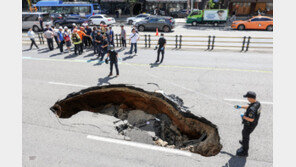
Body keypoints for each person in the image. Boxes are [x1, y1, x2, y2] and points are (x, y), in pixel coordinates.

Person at [234, 91, 261, 157]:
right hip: (253, 124)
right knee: (244, 133)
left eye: (248, 98)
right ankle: (244, 143)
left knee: (245, 136)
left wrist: (243, 116)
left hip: (250, 125)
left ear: (251, 98)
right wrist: (240, 107)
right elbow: (249, 107)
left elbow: (251, 119)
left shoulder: (252, 109)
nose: (247, 99)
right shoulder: (257, 103)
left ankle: (245, 152)